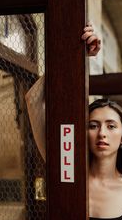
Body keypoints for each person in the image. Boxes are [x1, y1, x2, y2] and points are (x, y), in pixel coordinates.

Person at [25, 23, 101, 161]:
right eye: (93, 126)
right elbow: (33, 99)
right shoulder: (67, 160)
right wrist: (74, 55)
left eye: (111, 126)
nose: (102, 133)